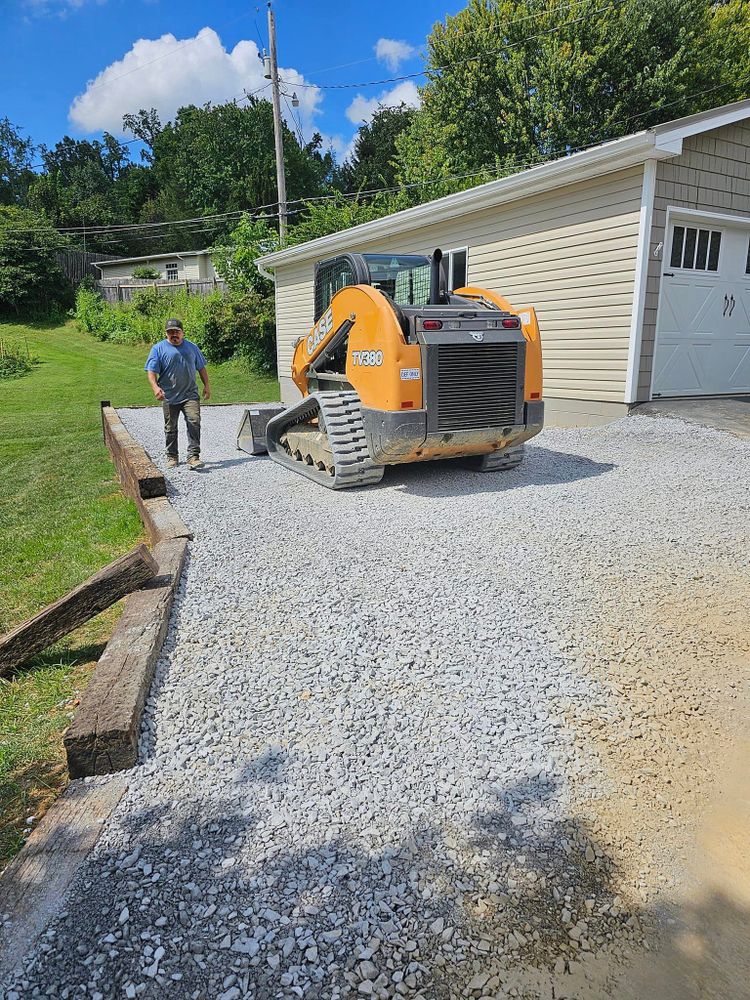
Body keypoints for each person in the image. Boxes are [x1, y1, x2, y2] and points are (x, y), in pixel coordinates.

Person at [145, 318, 211, 470]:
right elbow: (151, 371)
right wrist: (155, 387)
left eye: (176, 331)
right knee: (170, 427)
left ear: (182, 333)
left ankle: (193, 456)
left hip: (190, 394)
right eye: (170, 332)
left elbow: (201, 367)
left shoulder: (192, 347)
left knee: (194, 422)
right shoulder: (158, 349)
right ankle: (172, 456)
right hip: (169, 396)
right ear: (166, 334)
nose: (173, 334)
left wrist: (207, 385)